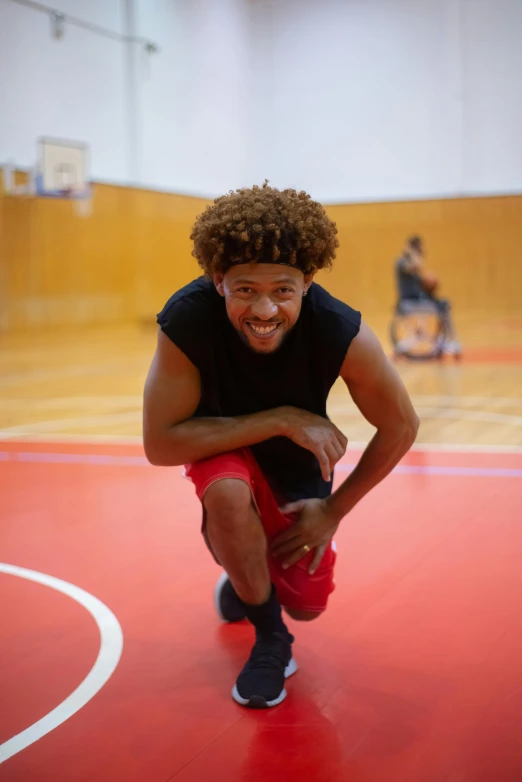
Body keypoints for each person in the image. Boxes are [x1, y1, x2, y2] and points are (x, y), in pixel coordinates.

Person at [143, 183, 419, 709]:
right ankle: (271, 639)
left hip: (296, 469)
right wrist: (282, 418)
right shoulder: (186, 320)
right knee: (226, 495)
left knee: (310, 607)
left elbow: (402, 426)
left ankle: (243, 577)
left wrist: (333, 511)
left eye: (283, 291)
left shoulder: (340, 330)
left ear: (308, 283)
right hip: (221, 445)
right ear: (218, 280)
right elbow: (160, 444)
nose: (264, 309)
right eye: (245, 289)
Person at [395, 235, 461, 354]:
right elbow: (416, 265)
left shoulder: (413, 262)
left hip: (418, 299)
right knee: (442, 306)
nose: (422, 250)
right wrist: (411, 253)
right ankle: (446, 341)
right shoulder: (402, 262)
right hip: (408, 302)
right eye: (419, 248)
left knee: (444, 304)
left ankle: (442, 339)